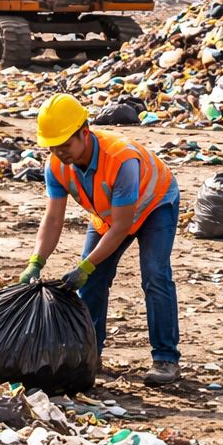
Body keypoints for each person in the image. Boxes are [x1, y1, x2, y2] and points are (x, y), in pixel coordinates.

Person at [22, 94, 181, 384]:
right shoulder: (56, 166)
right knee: (93, 281)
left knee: (155, 275)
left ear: (85, 133)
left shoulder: (121, 160)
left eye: (65, 144)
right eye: (53, 146)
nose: (59, 152)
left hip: (155, 204)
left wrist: (85, 265)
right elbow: (54, 219)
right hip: (108, 214)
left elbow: (121, 227)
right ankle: (91, 355)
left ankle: (166, 359)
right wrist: (36, 261)